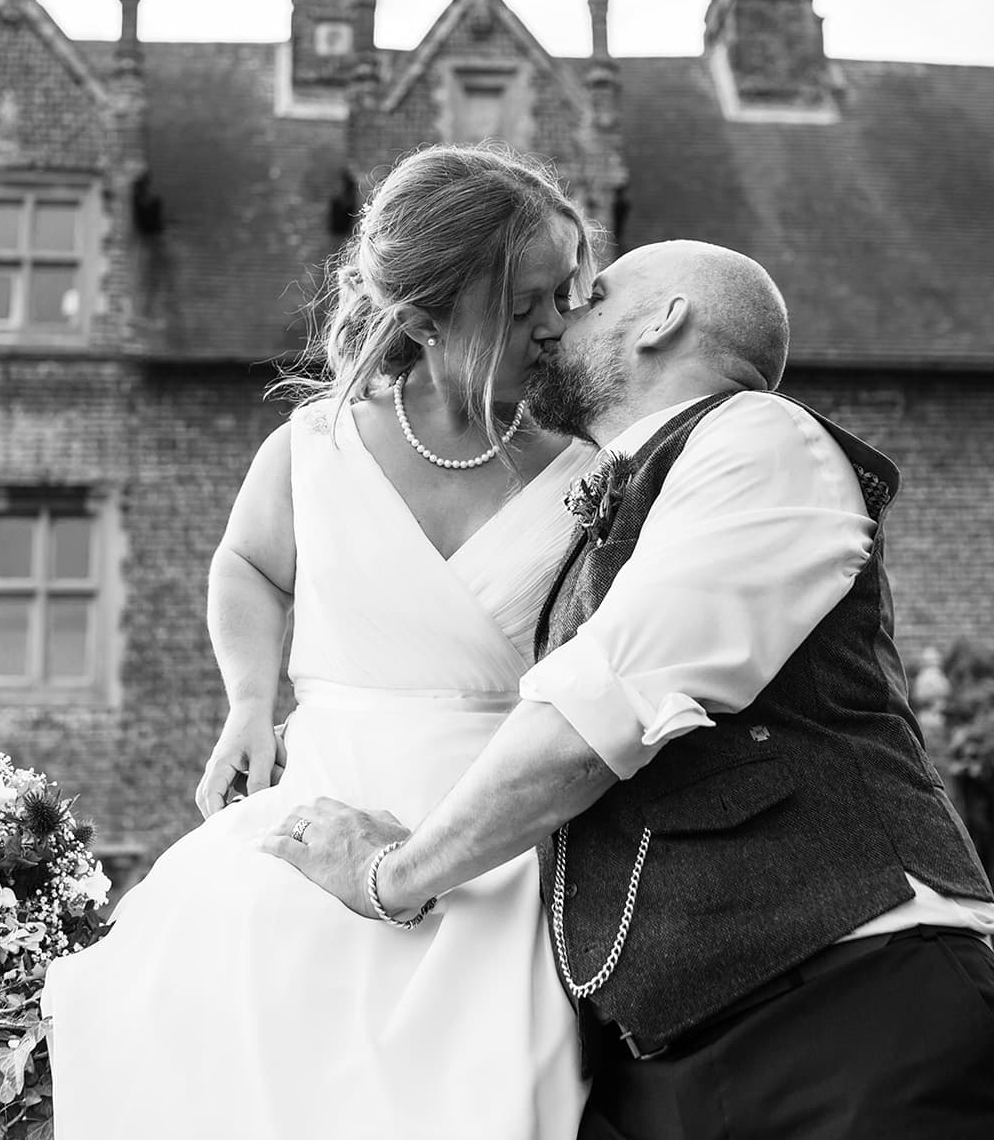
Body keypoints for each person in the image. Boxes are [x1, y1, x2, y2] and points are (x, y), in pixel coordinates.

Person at [265, 240, 994, 1139]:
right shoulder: (618, 497)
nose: (554, 321)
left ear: (662, 318)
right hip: (664, 1061)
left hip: (853, 1010)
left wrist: (390, 876)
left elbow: (602, 705)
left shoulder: (762, 436)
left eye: (587, 298)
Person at [42, 144, 600, 1139]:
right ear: (430, 310)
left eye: (568, 295)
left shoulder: (584, 476)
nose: (560, 326)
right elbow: (248, 570)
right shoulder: (313, 444)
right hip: (321, 810)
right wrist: (249, 706)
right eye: (528, 303)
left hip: (499, 843)